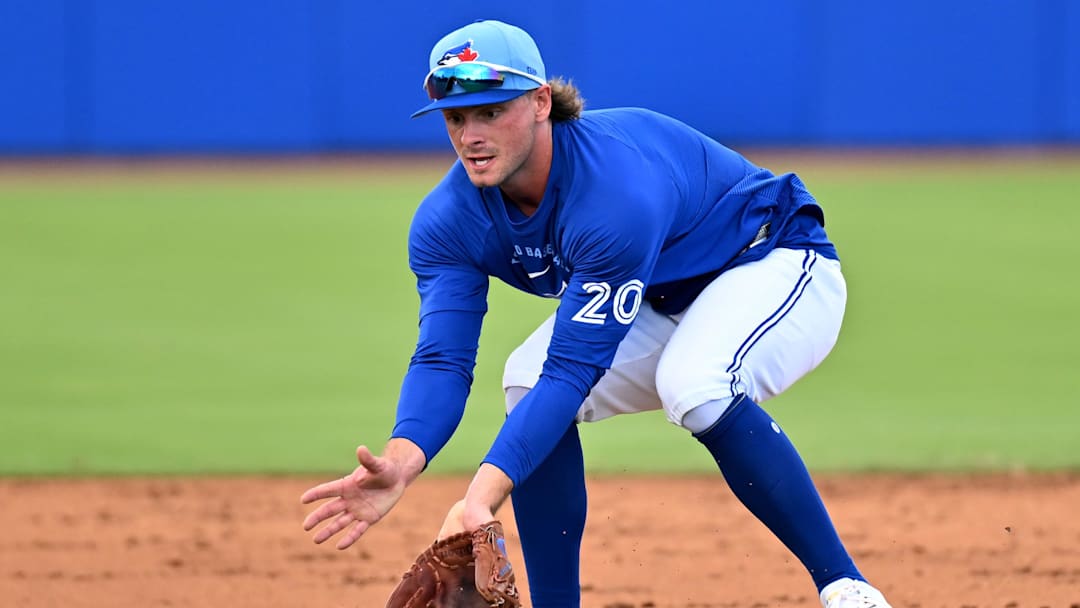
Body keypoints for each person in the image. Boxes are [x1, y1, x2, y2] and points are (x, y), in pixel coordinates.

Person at [301, 19, 893, 608]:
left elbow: (574, 371)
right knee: (525, 379)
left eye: (490, 111)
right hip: (661, 295)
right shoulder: (448, 220)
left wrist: (477, 500)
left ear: (540, 102)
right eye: (457, 118)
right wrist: (404, 459)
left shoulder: (614, 191)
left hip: (777, 263)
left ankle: (846, 588)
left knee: (694, 383)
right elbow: (442, 358)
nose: (471, 135)